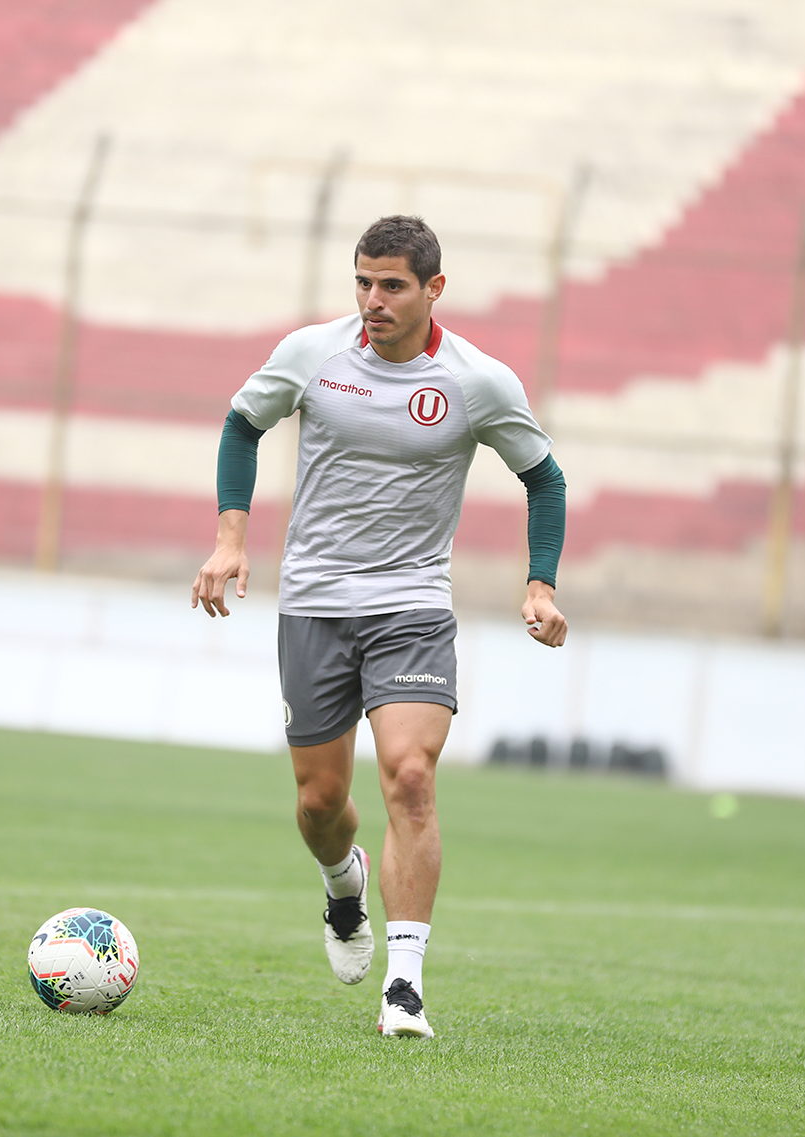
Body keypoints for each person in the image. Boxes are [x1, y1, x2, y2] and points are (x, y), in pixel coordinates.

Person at [191, 215, 568, 1038]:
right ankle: (341, 884)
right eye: (362, 281)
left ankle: (404, 985)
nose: (372, 300)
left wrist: (538, 582)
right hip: (315, 604)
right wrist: (229, 539)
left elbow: (544, 478)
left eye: (391, 285)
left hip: (412, 607)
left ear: (434, 289)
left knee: (409, 778)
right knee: (321, 801)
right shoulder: (313, 354)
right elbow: (240, 424)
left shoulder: (478, 381)